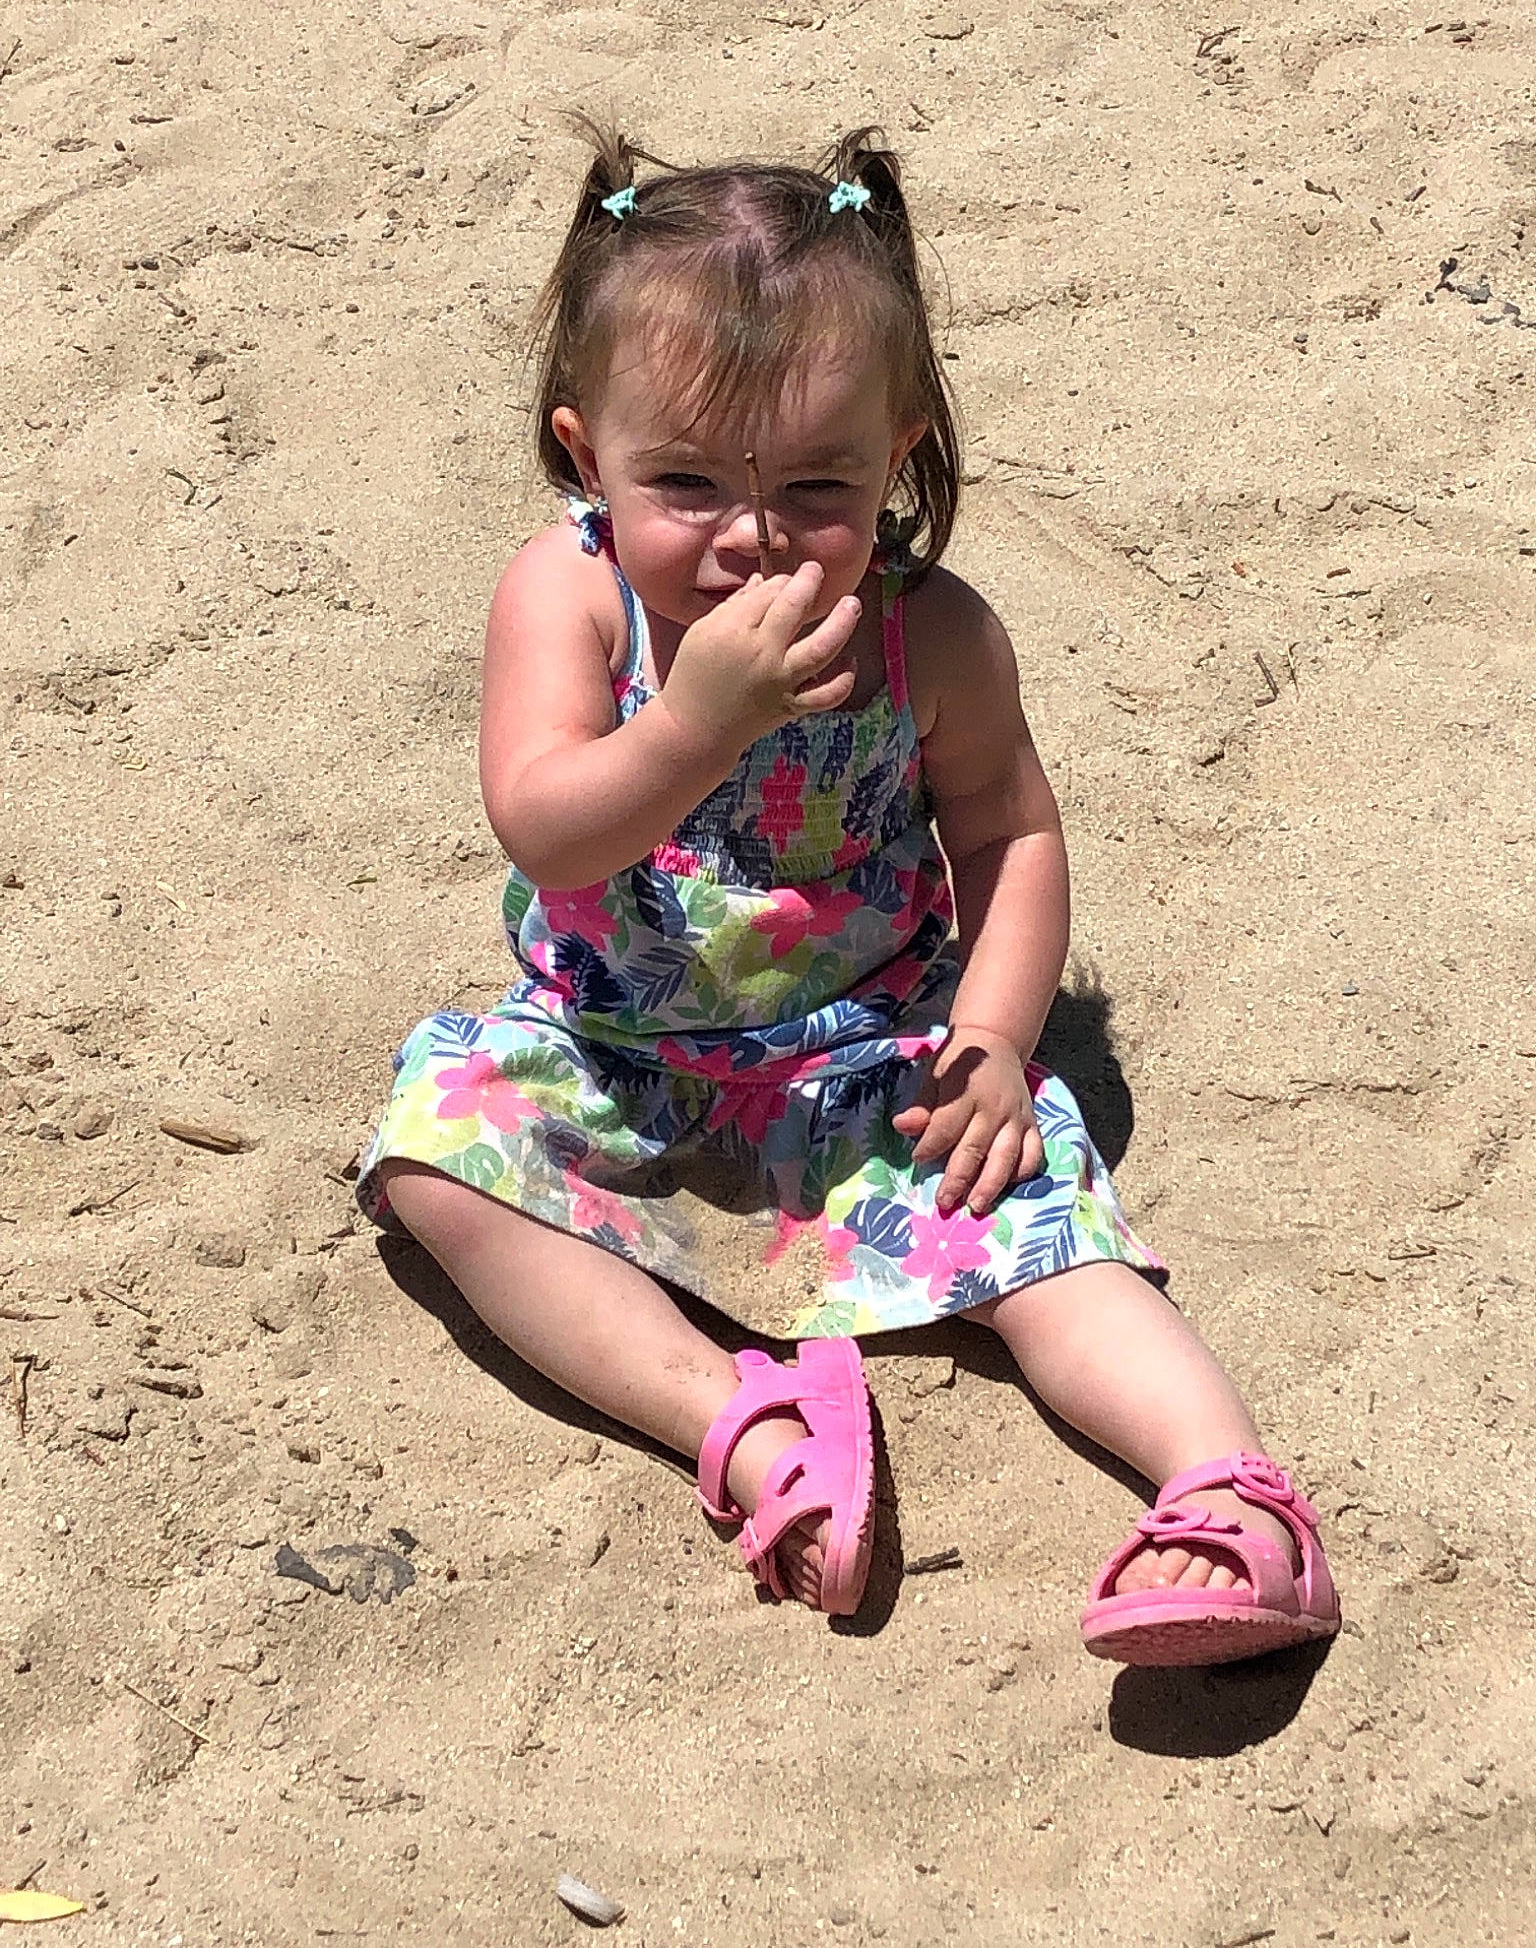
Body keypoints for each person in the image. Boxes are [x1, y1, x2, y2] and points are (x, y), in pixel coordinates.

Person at [357, 122, 1339, 1664]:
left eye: (816, 484)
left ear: (898, 453)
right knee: (431, 1152)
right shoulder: (571, 598)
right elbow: (548, 831)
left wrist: (1000, 1041)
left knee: (1036, 1220)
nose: (749, 537)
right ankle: (744, 1425)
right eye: (679, 481)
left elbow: (1011, 832)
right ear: (580, 452)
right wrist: (696, 723)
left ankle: (1228, 1489)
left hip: (865, 1055)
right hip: (618, 1052)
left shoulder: (928, 633)